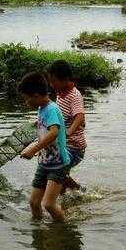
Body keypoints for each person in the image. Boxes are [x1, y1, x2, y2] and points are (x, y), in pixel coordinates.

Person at [18, 72, 71, 221]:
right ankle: (38, 231)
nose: (26, 102)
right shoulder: (42, 109)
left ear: (35, 95)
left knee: (48, 204)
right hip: (44, 162)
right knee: (34, 203)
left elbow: (54, 133)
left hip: (58, 164)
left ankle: (64, 229)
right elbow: (46, 128)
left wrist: (33, 149)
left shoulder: (51, 109)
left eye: (26, 98)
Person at [46, 60, 86, 192]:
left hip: (74, 146)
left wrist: (69, 131)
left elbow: (80, 116)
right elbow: (60, 115)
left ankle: (79, 191)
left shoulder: (74, 95)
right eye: (50, 81)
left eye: (54, 81)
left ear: (65, 79)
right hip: (63, 144)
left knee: (56, 172)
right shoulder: (61, 94)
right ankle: (72, 197)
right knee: (57, 176)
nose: (51, 85)